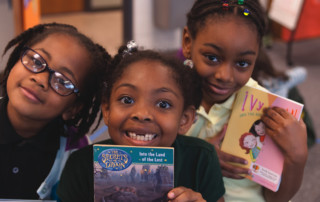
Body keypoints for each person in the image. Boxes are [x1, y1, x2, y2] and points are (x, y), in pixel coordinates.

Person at [57, 42, 225, 202]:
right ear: (107, 110)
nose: (142, 114)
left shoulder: (201, 159)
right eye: (127, 100)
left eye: (163, 104)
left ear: (184, 119)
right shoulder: (80, 166)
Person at [181, 0, 308, 201]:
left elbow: (276, 198)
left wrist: (297, 158)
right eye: (212, 57)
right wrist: (199, 159)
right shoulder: (168, 98)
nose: (225, 76)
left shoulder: (265, 110)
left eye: (242, 63)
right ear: (188, 42)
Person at [0, 23, 112, 200]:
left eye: (62, 81)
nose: (40, 79)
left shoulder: (76, 152)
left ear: (73, 108)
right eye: (36, 61)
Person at [252, 48, 316, 147]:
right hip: (291, 127)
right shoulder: (282, 80)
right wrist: (284, 76)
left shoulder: (251, 90)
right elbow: (302, 72)